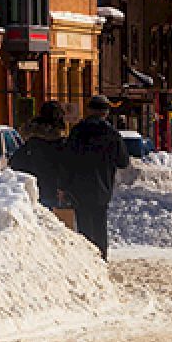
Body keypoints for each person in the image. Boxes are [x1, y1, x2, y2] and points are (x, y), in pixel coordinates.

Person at [63, 94, 129, 258]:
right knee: (100, 225)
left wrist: (65, 184)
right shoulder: (112, 134)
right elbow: (123, 162)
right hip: (102, 187)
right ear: (106, 113)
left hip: (78, 186)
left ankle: (86, 259)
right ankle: (101, 258)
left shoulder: (77, 131)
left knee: (83, 225)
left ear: (88, 110)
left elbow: (66, 159)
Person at [8, 101, 73, 214]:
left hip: (34, 188)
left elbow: (15, 163)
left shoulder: (32, 143)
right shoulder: (63, 144)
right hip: (56, 189)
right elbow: (68, 166)